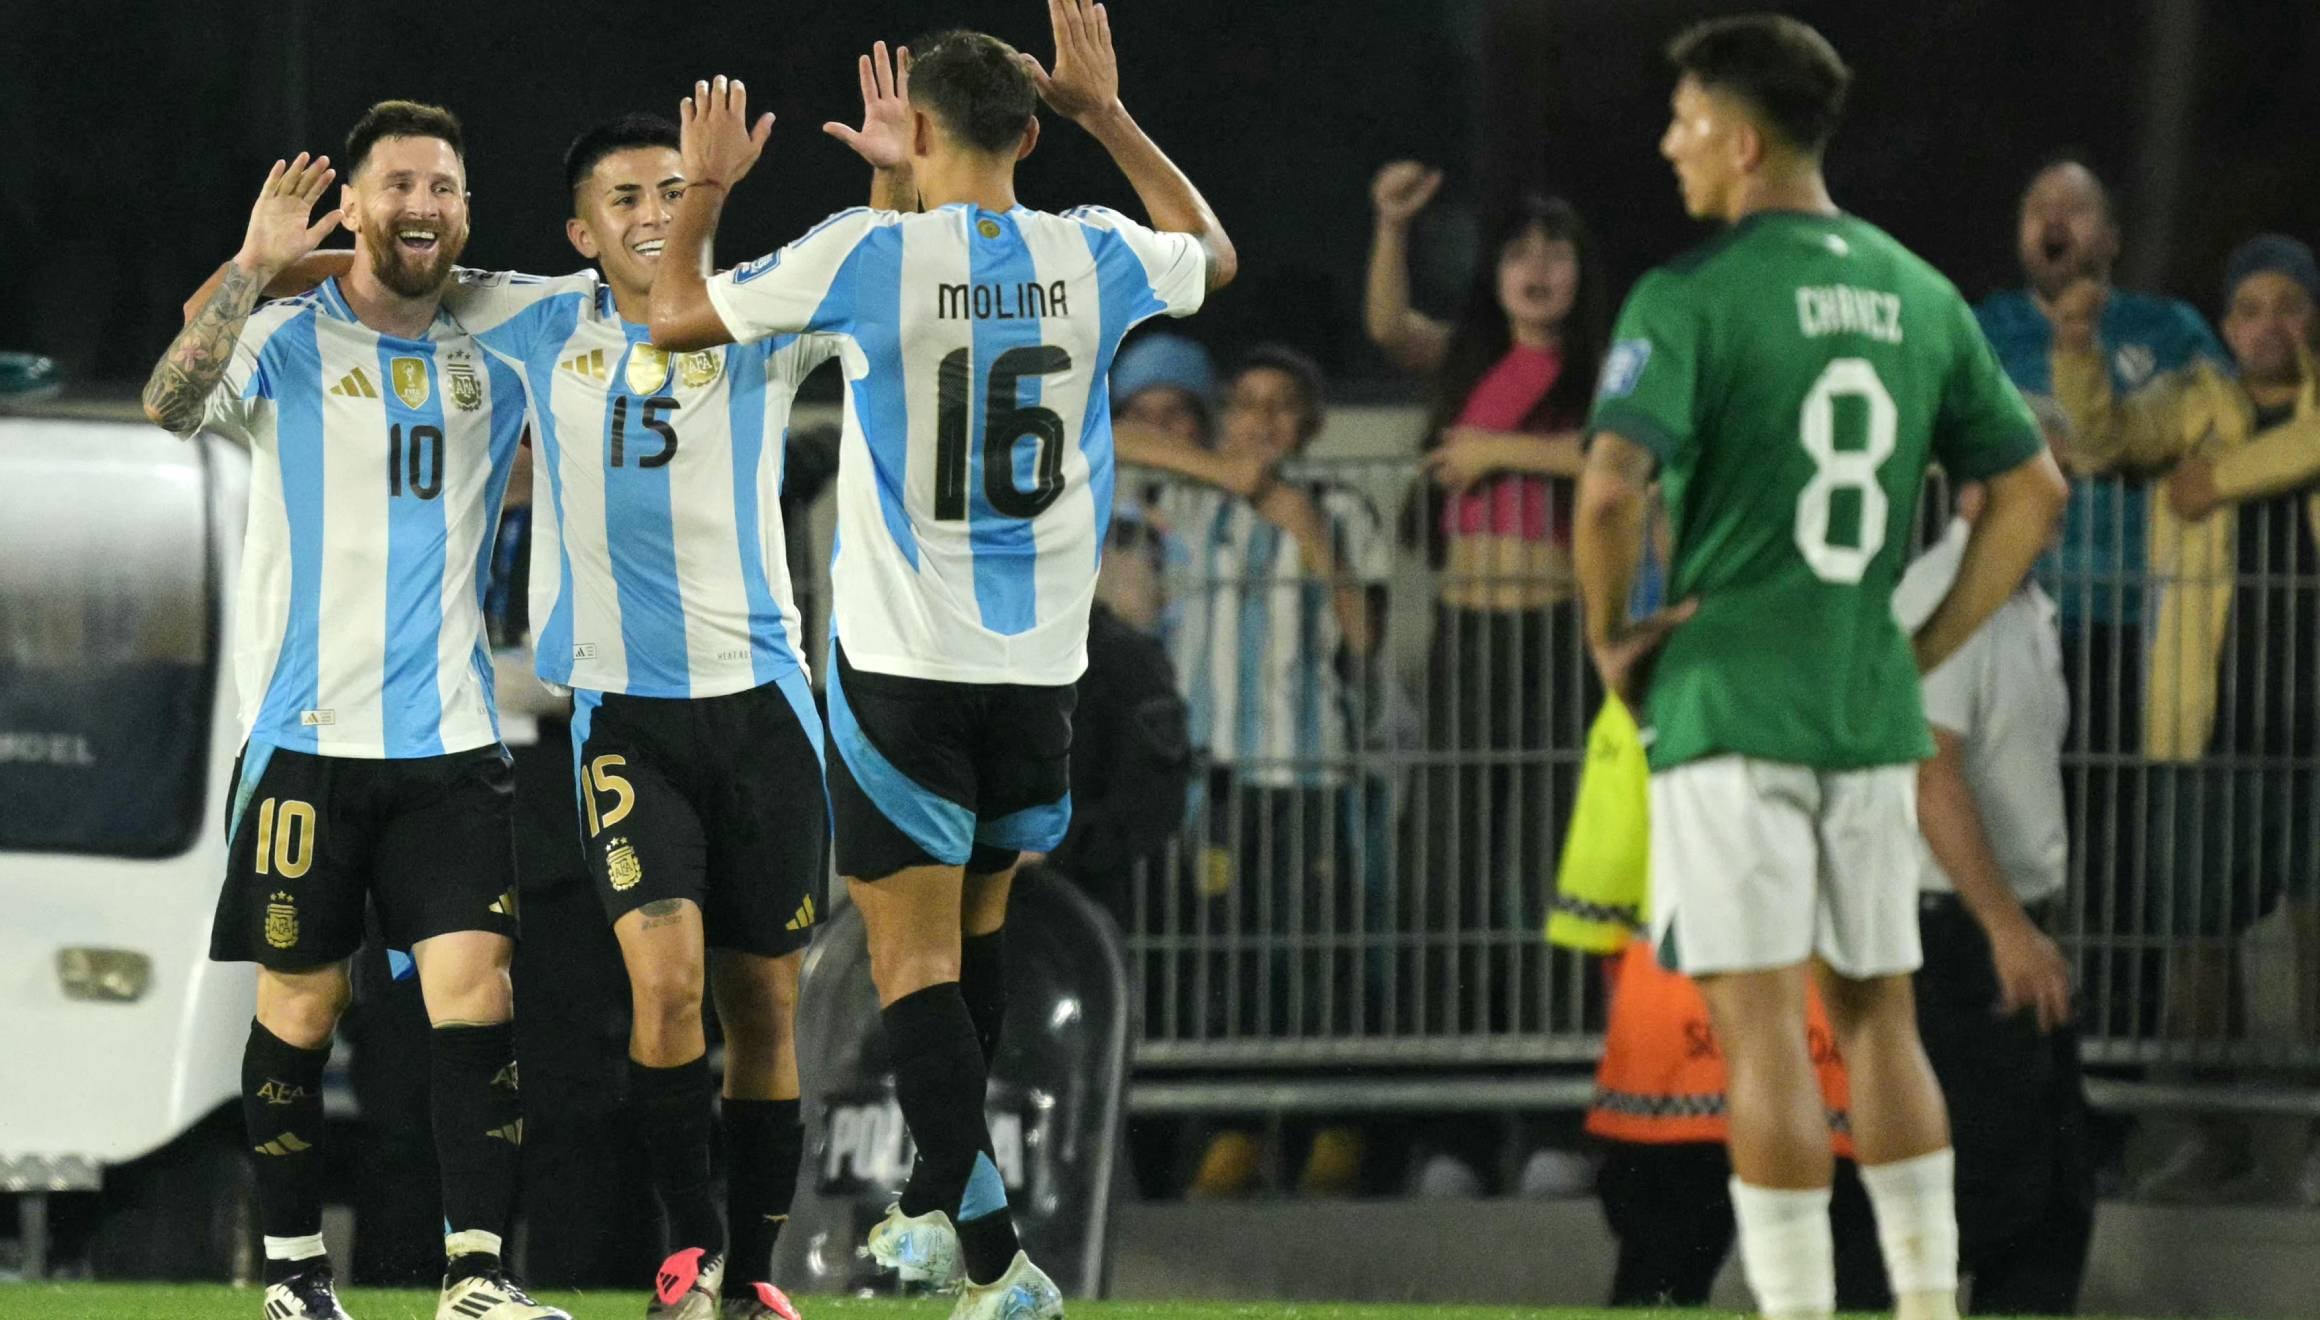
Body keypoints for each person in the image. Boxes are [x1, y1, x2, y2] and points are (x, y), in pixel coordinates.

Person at [647, 4, 1236, 1313]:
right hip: (1040, 672)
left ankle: (998, 1263)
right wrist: (1113, 116)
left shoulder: (872, 254)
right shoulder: (1091, 254)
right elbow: (1213, 251)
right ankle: (929, 1207)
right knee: (973, 937)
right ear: (1031, 130)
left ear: (916, 133)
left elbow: (680, 315)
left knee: (908, 962)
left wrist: (703, 189)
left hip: (905, 661)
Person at [1572, 17, 2068, 1320]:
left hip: (1730, 694)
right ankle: (1924, 1305)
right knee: (1880, 1020)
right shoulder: (1921, 293)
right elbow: (2032, 490)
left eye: (1684, 122)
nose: (1670, 145)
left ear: (1741, 141)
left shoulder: (1689, 295)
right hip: (1865, 699)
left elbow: (1608, 492)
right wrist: (1927, 646)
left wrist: (1606, 638)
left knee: (1760, 1035)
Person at [140, 103, 567, 1320]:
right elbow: (170, 405)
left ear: (467, 209)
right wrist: (258, 261)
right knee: (302, 1008)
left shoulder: (511, 335)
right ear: (355, 205)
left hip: (450, 746)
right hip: (305, 745)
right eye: (395, 185)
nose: (420, 204)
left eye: (442, 184)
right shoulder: (279, 336)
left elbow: (631, 290)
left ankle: (476, 1277)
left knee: (477, 998)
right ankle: (291, 1278)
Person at [2049, 234, 2320, 1205]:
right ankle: (2214, 1140)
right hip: (2209, 723)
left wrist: (2217, 480)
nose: (2266, 325)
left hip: (2316, 731)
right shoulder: (2198, 397)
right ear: (2228, 321)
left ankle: (2314, 1145)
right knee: (2196, 946)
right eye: (2247, 307)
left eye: (2287, 304)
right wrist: (2076, 351)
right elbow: (2112, 437)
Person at [1367, 175, 1610, 1040]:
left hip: (1558, 636)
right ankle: (1448, 1117)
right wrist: (1393, 225)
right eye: (1518, 254)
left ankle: (1554, 1098)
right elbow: (1391, 329)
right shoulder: (1471, 359)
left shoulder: (1607, 370)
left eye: (1557, 253)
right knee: (1446, 865)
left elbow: (1620, 457)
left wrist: (1502, 451)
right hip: (1465, 633)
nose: (1538, 269)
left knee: (1556, 865)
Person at [1894, 401, 2095, 1312]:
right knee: (2002, 1205)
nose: (2062, 493)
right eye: (2041, 472)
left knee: (2047, 1206)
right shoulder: (1951, 596)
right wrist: (2007, 928)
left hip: (1997, 930)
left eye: (2065, 475)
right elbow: (1930, 775)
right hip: (1958, 939)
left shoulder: (2022, 602)